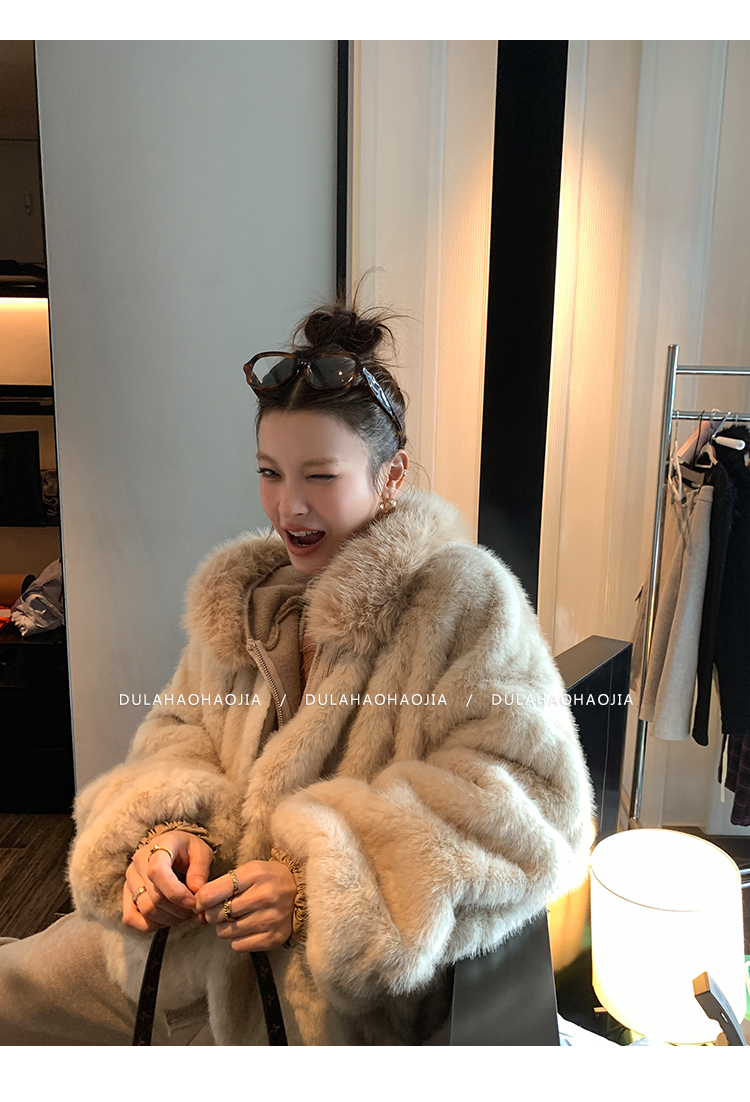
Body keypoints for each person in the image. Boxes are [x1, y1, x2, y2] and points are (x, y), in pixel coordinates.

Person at [0, 297, 594, 1046]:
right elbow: (178, 732)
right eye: (270, 473)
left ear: (390, 475)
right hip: (186, 953)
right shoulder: (246, 603)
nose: (289, 507)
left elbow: (536, 807)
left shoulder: (462, 602)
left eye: (320, 475)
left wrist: (319, 885)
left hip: (324, 1001)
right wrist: (168, 834)